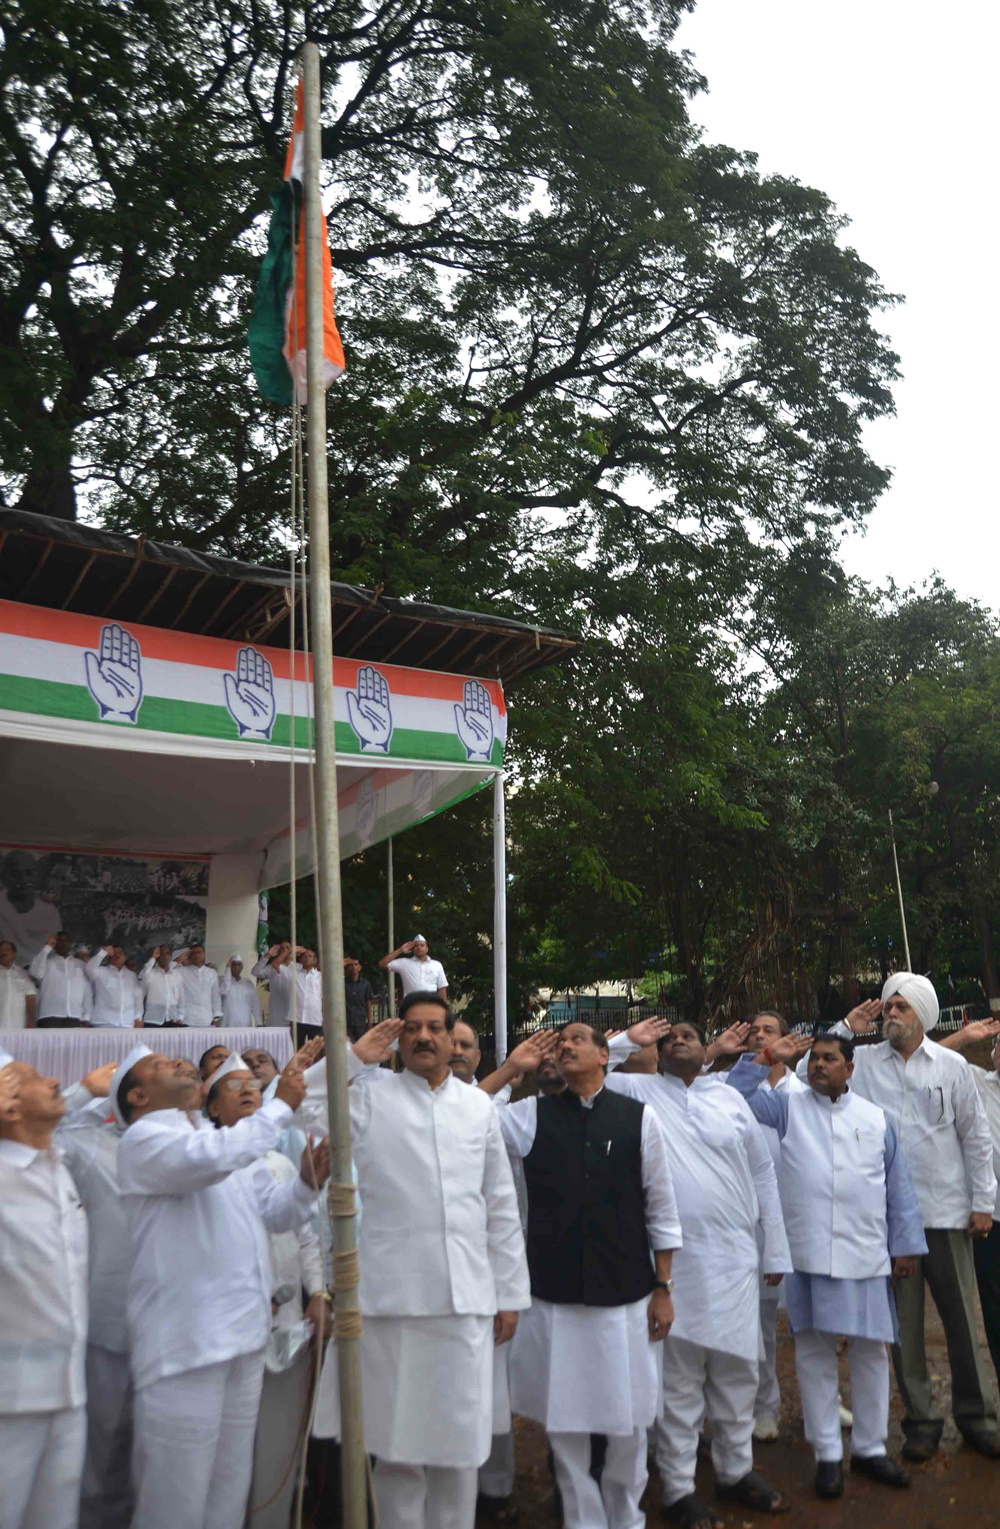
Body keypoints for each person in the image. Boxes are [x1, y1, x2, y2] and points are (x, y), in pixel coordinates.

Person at [306, 998, 529, 1529]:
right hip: (392, 1305)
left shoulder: (478, 1107)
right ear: (398, 1040)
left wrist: (509, 1295)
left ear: (454, 1041)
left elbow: (499, 1205)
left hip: (467, 1301)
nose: (424, 1037)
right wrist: (355, 1058)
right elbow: (300, 1108)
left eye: (435, 1028)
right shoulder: (366, 1097)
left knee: (459, 1452)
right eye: (413, 1029)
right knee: (398, 1452)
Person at [480, 1023, 681, 1529]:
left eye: (575, 1040)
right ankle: (583, 1521)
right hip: (555, 1300)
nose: (564, 1046)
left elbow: (661, 1206)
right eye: (558, 1042)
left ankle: (626, 1516)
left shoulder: (639, 1117)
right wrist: (510, 1069)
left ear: (602, 1055)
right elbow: (463, 1115)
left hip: (628, 1297)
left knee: (629, 1420)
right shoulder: (530, 1117)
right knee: (565, 1425)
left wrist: (664, 1288)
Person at [116, 1045, 326, 1529]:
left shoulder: (215, 1138)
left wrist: (306, 1186)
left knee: (228, 1492)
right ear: (139, 1095)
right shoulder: (145, 1139)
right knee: (176, 1502)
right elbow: (211, 1158)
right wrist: (281, 1104)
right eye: (159, 1066)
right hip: (186, 1348)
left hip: (243, 1340)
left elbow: (276, 1212)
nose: (178, 1064)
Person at [603, 1018, 792, 1527]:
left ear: (704, 1047)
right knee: (680, 1383)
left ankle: (735, 1472)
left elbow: (761, 1171)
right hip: (671, 1264)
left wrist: (774, 1247)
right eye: (667, 1038)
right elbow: (581, 1066)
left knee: (737, 1374)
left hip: (735, 1258)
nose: (676, 1040)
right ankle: (680, 1488)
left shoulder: (728, 1097)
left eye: (685, 1033)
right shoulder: (636, 1091)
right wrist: (626, 1040)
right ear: (657, 1052)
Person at [730, 1030, 927, 1498]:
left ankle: (871, 1449)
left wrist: (905, 1246)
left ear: (850, 1069)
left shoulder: (876, 1118)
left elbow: (898, 1190)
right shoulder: (786, 1107)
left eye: (829, 1059)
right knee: (815, 1355)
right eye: (813, 1059)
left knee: (870, 1353)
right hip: (808, 1254)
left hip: (866, 1253)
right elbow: (732, 1098)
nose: (818, 1065)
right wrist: (763, 1059)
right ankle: (827, 1456)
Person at [827, 974, 999, 1458]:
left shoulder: (952, 1065)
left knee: (964, 1320)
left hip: (946, 1211)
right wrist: (845, 1027)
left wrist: (982, 1203)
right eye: (888, 1007)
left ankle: (978, 1417)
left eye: (901, 1006)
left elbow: (975, 1138)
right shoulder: (860, 1065)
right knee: (903, 1327)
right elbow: (807, 1074)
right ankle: (921, 1420)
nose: (891, 1014)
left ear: (922, 1013)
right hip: (888, 1221)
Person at [204, 1056, 328, 1529]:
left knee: (277, 1450)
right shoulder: (201, 1163)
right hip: (226, 1333)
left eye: (252, 1083)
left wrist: (318, 1292)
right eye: (232, 1086)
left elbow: (307, 1234)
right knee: (224, 1458)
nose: (248, 1089)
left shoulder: (281, 1162)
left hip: (286, 1322)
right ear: (212, 1106)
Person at [707, 1011, 809, 1442]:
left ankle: (822, 1404)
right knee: (761, 1324)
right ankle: (765, 1405)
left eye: (769, 1031)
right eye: (754, 1031)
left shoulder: (804, 1091)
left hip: (802, 1219)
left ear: (787, 1039)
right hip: (752, 1225)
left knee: (812, 1324)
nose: (760, 1035)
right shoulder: (723, 1089)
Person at [0, 1051, 89, 1529]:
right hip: (9, 1405)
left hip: (68, 1393)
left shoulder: (57, 1165)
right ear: (9, 1108)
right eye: (34, 1078)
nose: (55, 1079)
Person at [56, 1054, 141, 1529]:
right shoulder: (88, 1145)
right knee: (105, 1449)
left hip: (177, 1329)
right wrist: (85, 1091)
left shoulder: (200, 1144)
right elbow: (31, 1136)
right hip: (110, 1322)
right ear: (136, 1096)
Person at [0, 849, 60, 962]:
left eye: (30, 873)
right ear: (3, 877)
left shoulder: (50, 914)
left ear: (39, 877)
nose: (24, 880)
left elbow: (52, 955)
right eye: (15, 874)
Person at [252, 942, 322, 1033]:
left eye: (289, 948)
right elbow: (255, 972)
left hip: (297, 1017)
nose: (288, 950)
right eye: (285, 948)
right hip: (277, 1016)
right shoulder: (272, 967)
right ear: (279, 952)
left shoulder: (300, 968)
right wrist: (268, 955)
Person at [29, 932, 92, 1028]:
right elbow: (35, 973)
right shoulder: (46, 962)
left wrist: (86, 1017)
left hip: (75, 1016)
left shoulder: (81, 965)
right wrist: (47, 948)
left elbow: (87, 993)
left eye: (66, 941)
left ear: (71, 944)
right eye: (59, 941)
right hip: (49, 1015)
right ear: (54, 944)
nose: (62, 943)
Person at [86, 946, 143, 1029]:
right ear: (109, 957)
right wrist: (103, 952)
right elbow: (89, 968)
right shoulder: (101, 972)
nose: (117, 955)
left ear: (125, 957)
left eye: (120, 953)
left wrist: (138, 1018)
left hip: (127, 1023)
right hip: (104, 1023)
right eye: (114, 953)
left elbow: (138, 998)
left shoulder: (132, 975)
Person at [380, 934, 448, 999]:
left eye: (422, 945)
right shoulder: (404, 963)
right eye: (416, 946)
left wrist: (444, 1009)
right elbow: (382, 963)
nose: (419, 947)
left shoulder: (436, 965)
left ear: (427, 949)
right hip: (411, 1006)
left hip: (430, 1006)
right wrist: (400, 950)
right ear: (412, 949)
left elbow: (442, 989)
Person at [173, 944, 223, 1029]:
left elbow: (215, 997)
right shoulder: (181, 971)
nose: (196, 955)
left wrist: (216, 1017)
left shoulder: (211, 973)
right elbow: (168, 972)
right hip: (187, 1019)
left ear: (204, 954)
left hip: (206, 1019)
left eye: (199, 952)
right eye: (193, 953)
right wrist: (179, 959)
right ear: (190, 956)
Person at [139, 946, 185, 1028]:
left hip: (172, 1020)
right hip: (152, 1020)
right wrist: (153, 958)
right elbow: (143, 975)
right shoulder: (150, 974)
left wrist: (180, 1017)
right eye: (161, 954)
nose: (164, 956)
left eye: (167, 953)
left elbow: (181, 998)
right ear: (158, 956)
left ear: (171, 956)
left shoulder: (177, 975)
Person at [0, 939, 36, 1029]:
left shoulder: (24, 974)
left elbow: (30, 998)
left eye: (7, 950)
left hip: (18, 1027)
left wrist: (31, 1020)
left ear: (14, 954)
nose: (3, 952)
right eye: (0, 950)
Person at [219, 956, 262, 1027]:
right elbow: (223, 991)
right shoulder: (222, 981)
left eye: (239, 965)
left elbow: (255, 1004)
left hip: (245, 1024)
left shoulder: (248, 983)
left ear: (242, 967)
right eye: (233, 965)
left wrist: (259, 1022)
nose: (236, 967)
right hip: (227, 1024)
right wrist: (227, 969)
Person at [343, 956, 376, 1040]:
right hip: (346, 1021)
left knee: (361, 1044)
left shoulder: (365, 984)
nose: (353, 967)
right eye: (351, 965)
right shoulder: (343, 983)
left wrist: (369, 1022)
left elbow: (368, 1002)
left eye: (356, 964)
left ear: (359, 967)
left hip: (360, 1020)